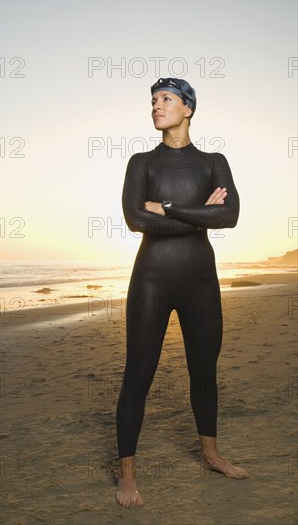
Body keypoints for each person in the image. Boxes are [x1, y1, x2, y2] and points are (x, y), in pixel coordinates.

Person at [115, 77, 249, 508]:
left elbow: (228, 216)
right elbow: (137, 220)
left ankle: (211, 454)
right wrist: (200, 214)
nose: (156, 105)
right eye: (153, 100)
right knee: (138, 377)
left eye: (166, 99)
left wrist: (168, 208)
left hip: (200, 284)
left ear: (188, 108)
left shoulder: (213, 161)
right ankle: (127, 474)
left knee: (204, 373)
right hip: (151, 281)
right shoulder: (142, 163)